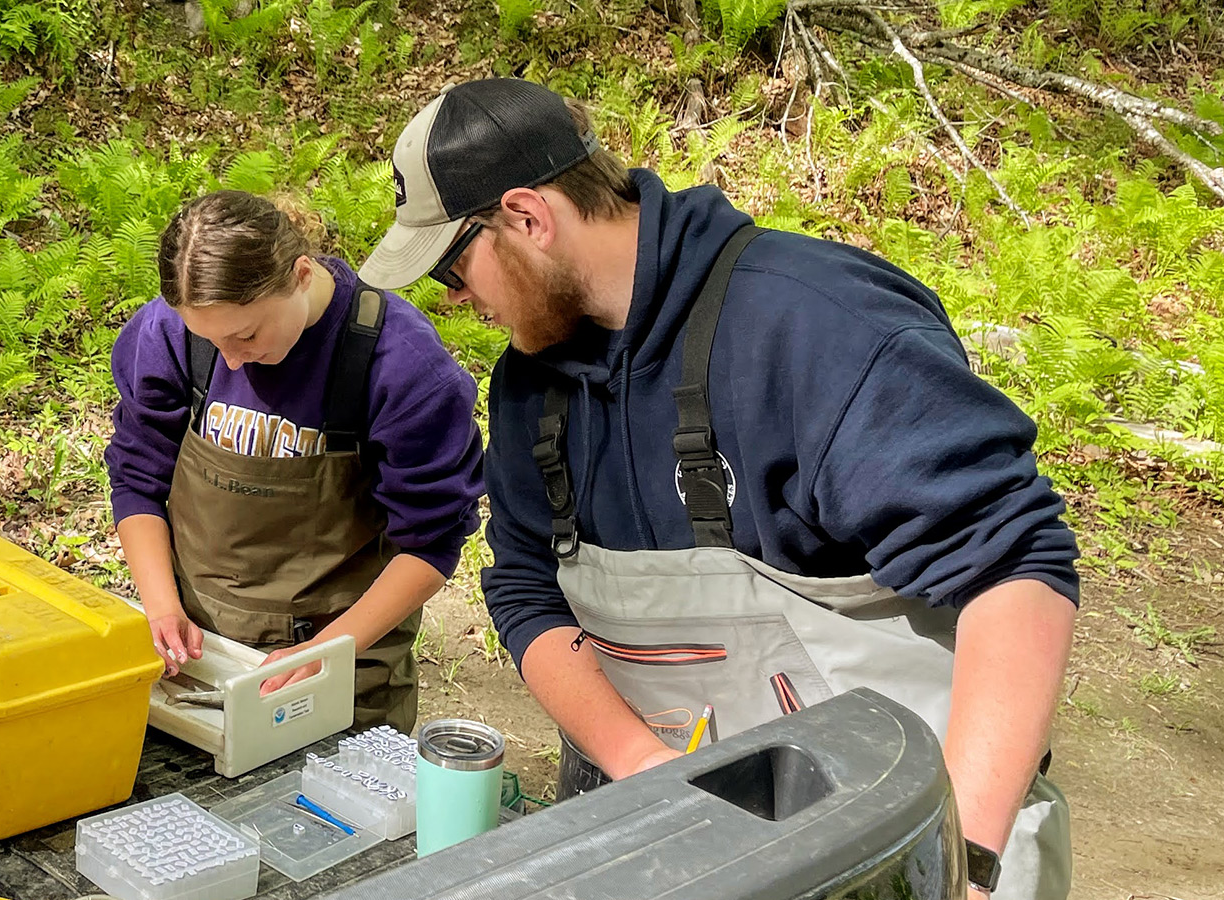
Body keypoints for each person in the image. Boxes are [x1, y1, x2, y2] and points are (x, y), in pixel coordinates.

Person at [358, 78, 1076, 899]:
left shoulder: (813, 323)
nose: (455, 299)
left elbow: (1015, 569)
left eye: (453, 267)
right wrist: (644, 769)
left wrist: (959, 861)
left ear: (528, 217)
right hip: (684, 833)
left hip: (903, 841)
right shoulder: (531, 390)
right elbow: (526, 591)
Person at [105, 190, 485, 732]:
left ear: (302, 274)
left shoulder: (401, 368)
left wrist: (323, 654)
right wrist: (163, 607)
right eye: (209, 340)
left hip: (343, 664)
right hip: (201, 652)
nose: (232, 359)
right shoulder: (167, 335)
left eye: (247, 335)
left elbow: (431, 544)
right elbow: (137, 479)